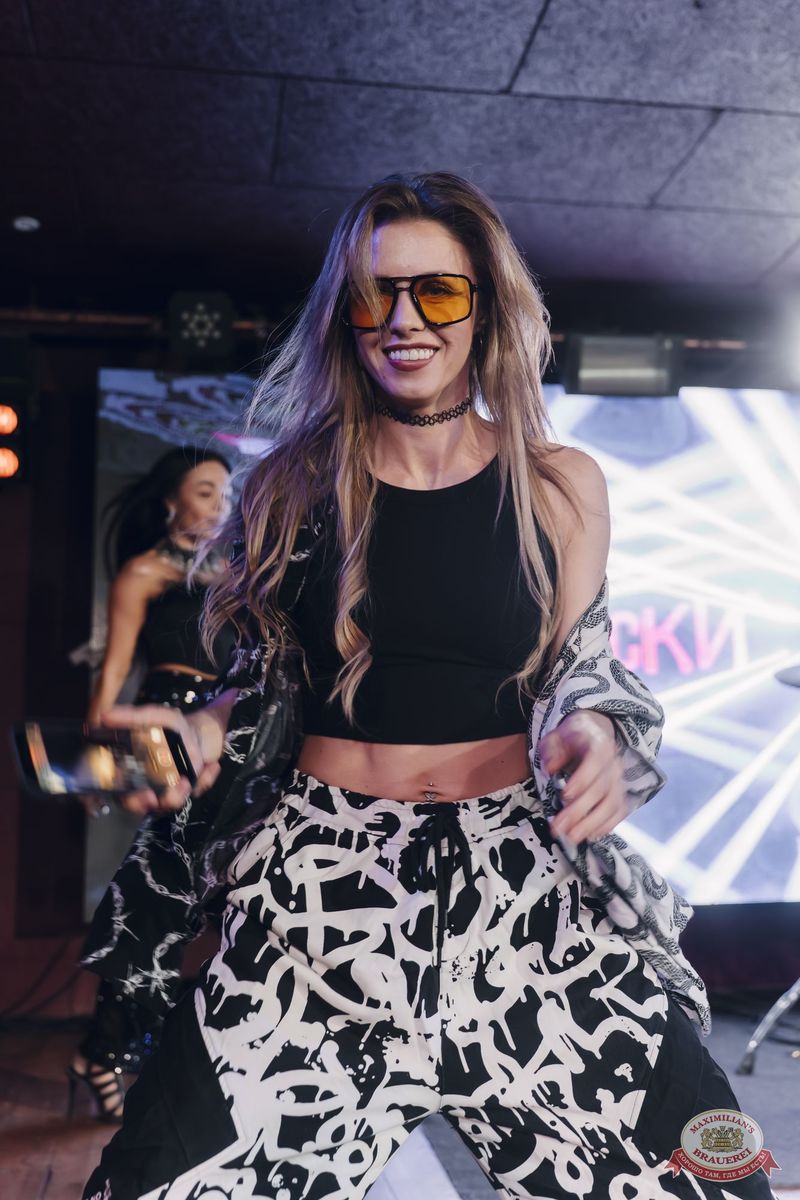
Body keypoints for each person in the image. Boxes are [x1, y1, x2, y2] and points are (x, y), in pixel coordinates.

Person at [83, 174, 774, 1199]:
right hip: (322, 900)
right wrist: (202, 732)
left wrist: (589, 731)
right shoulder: (288, 488)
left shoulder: (559, 484)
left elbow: (580, 668)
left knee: (709, 1179)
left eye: (437, 292)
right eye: (376, 294)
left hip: (525, 899)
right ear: (345, 315)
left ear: (484, 306)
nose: (403, 320)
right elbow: (261, 687)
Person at [68, 446, 233, 1122]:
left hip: (230, 746)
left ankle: (113, 1052)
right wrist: (99, 758)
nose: (220, 504)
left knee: (199, 905)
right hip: (165, 746)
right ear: (171, 503)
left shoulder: (240, 576)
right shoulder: (144, 574)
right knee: (160, 902)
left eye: (226, 492)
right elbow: (111, 686)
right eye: (205, 491)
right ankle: (107, 1051)